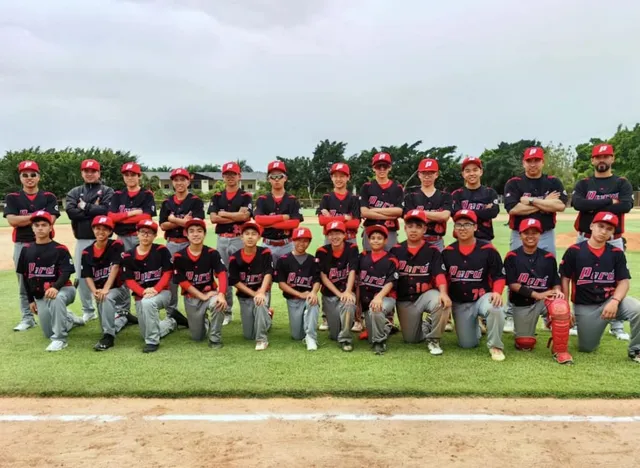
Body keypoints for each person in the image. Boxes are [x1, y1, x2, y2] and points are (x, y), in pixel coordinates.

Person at [571, 143, 634, 341]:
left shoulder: (622, 183)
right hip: (584, 237)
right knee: (579, 277)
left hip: (613, 240)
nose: (602, 160)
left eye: (606, 156)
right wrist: (608, 203)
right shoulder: (584, 183)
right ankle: (576, 320)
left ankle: (616, 325)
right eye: (598, 157)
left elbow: (626, 205)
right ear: (592, 160)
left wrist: (592, 207)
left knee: (614, 278)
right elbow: (578, 204)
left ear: (612, 159)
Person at [560, 212, 640, 363]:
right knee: (587, 347)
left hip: (610, 301)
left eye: (608, 229)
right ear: (591, 226)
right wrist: (566, 307)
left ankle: (636, 350)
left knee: (637, 308)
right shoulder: (575, 251)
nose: (603, 231)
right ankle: (596, 327)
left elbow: (624, 282)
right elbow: (565, 278)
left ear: (612, 233)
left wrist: (615, 301)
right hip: (585, 306)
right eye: (600, 226)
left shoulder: (616, 253)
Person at [503, 147, 567, 333]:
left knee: (547, 272)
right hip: (519, 233)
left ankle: (550, 315)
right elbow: (513, 209)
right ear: (524, 163)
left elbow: (560, 205)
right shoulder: (514, 183)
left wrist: (530, 201)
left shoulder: (553, 181)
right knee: (514, 274)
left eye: (536, 160)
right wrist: (545, 203)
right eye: (529, 161)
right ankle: (510, 315)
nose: (533, 164)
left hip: (545, 233)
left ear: (542, 162)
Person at [504, 218, 572, 364]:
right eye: (526, 233)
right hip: (523, 303)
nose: (530, 236)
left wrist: (558, 292)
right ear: (520, 235)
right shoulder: (512, 257)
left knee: (560, 306)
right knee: (525, 344)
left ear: (540, 234)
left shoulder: (548, 257)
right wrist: (537, 294)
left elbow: (555, 281)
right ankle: (525, 332)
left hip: (544, 301)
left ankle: (560, 350)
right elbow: (513, 284)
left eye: (534, 232)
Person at [442, 210, 507, 361]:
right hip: (461, 302)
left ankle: (495, 346)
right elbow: (442, 277)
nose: (463, 228)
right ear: (454, 228)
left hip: (482, 297)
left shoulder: (488, 250)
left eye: (467, 224)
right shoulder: (448, 252)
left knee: (495, 307)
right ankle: (476, 327)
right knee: (468, 344)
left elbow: (499, 275)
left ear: (475, 227)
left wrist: (497, 292)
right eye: (459, 224)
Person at [16, 211, 84, 351]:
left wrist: (56, 287)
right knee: (48, 332)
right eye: (37, 225)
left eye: (44, 225)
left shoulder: (59, 249)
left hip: (64, 290)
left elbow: (66, 273)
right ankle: (69, 317)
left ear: (50, 228)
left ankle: (60, 339)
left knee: (55, 298)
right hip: (41, 295)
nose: (40, 228)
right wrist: (30, 300)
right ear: (32, 228)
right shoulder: (26, 250)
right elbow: (25, 277)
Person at [4, 160, 59, 331]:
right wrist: (38, 216)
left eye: (33, 174)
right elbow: (12, 220)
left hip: (46, 245)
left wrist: (27, 219)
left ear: (38, 177)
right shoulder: (12, 197)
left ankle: (55, 313)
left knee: (51, 279)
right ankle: (27, 318)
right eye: (25, 175)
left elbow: (51, 219)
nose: (29, 178)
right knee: (24, 282)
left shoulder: (49, 197)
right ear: (20, 177)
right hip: (22, 244)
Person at [390, 209, 452, 356]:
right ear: (404, 228)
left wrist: (443, 293)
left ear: (424, 229)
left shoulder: (432, 250)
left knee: (440, 302)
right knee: (411, 339)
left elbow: (439, 274)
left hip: (425, 295)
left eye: (418, 226)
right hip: (405, 300)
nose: (414, 230)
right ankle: (427, 324)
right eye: (410, 226)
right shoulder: (396, 250)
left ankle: (434, 339)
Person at [65, 158, 114, 323]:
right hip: (83, 239)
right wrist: (95, 210)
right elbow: (71, 212)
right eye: (86, 171)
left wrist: (85, 207)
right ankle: (88, 309)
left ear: (99, 173)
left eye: (93, 171)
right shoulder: (74, 191)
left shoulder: (107, 191)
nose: (89, 173)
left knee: (108, 275)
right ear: (82, 173)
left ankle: (111, 307)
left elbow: (107, 211)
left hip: (105, 240)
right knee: (83, 275)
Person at [316, 162, 361, 332]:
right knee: (327, 275)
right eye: (335, 175)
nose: (339, 179)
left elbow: (356, 223)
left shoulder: (354, 198)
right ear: (332, 177)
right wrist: (345, 218)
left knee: (353, 276)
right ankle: (327, 316)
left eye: (342, 175)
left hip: (350, 240)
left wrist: (333, 218)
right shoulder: (327, 197)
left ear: (348, 178)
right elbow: (321, 221)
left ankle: (357, 317)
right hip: (330, 240)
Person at [120, 219, 177, 353]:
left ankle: (152, 342)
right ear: (137, 234)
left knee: (148, 305)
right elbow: (129, 280)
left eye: (150, 233)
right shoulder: (128, 255)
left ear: (154, 236)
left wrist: (156, 290)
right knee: (145, 331)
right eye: (143, 232)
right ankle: (171, 322)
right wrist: (143, 291)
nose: (146, 235)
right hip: (141, 295)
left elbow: (168, 273)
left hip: (163, 293)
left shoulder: (161, 250)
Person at [208, 161, 253, 326]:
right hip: (222, 238)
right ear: (223, 177)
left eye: (233, 174)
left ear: (239, 176)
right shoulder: (217, 196)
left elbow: (245, 217)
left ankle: (247, 311)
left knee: (244, 274)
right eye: (227, 174)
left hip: (239, 238)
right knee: (223, 274)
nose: (230, 177)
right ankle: (227, 311)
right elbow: (213, 218)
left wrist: (224, 214)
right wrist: (235, 214)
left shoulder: (245, 196)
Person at [172, 218, 228, 348]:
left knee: (218, 303)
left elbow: (222, 273)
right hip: (192, 297)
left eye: (199, 231)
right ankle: (205, 323)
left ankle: (215, 338)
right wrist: (201, 296)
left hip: (210, 293)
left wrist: (221, 294)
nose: (195, 234)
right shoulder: (179, 256)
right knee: (197, 337)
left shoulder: (212, 253)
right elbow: (182, 281)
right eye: (191, 231)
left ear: (204, 233)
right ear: (186, 234)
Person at [158, 167, 203, 328]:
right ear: (172, 182)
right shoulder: (167, 202)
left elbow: (196, 224)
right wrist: (181, 221)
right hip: (171, 243)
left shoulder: (195, 201)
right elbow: (163, 225)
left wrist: (173, 219)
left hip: (189, 243)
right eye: (176, 180)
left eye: (182, 179)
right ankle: (172, 314)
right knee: (171, 280)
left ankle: (196, 313)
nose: (179, 182)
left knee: (192, 277)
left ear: (188, 181)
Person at [80, 216, 131, 351]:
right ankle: (123, 318)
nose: (101, 232)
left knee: (106, 298)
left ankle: (109, 337)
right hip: (100, 290)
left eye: (104, 229)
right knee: (104, 320)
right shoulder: (86, 251)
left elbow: (115, 267)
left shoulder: (116, 245)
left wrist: (105, 289)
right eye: (97, 228)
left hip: (118, 288)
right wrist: (94, 291)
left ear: (110, 232)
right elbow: (87, 275)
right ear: (93, 229)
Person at [227, 221, 274, 351]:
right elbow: (235, 281)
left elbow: (268, 273)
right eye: (246, 234)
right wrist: (254, 294)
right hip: (245, 296)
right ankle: (268, 316)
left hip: (262, 292)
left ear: (259, 237)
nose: (250, 237)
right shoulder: (234, 258)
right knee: (248, 335)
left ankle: (261, 339)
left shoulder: (265, 252)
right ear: (241, 237)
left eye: (254, 234)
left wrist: (262, 292)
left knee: (260, 303)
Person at [274, 227, 321, 351]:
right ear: (292, 241)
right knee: (297, 336)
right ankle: (306, 319)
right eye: (298, 240)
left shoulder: (313, 260)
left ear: (309, 242)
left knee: (313, 301)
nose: (302, 243)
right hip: (293, 300)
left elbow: (317, 280)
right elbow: (281, 284)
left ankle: (311, 337)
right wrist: (299, 294)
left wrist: (313, 292)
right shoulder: (283, 260)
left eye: (305, 241)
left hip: (308, 297)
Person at [316, 221, 359, 352]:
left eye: (338, 233)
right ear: (327, 236)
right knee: (334, 335)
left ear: (344, 234)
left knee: (349, 302)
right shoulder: (322, 251)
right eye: (331, 234)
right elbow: (323, 277)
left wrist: (347, 291)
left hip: (345, 290)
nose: (335, 237)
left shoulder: (352, 248)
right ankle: (340, 328)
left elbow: (352, 271)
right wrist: (339, 294)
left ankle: (346, 338)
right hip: (330, 295)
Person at [357, 225, 399, 355]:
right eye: (373, 238)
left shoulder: (391, 258)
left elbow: (391, 281)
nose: (376, 240)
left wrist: (379, 297)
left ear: (385, 240)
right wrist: (358, 303)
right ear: (368, 240)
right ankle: (386, 327)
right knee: (370, 337)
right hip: (366, 301)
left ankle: (380, 342)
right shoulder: (362, 256)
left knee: (376, 309)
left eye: (379, 238)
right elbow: (358, 282)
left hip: (386, 297)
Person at [255, 161, 303, 265]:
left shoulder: (292, 200)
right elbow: (258, 219)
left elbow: (294, 223)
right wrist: (283, 217)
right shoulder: (262, 199)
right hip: (267, 245)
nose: (276, 179)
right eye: (273, 176)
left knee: (289, 279)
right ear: (268, 179)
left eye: (280, 176)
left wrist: (268, 223)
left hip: (287, 245)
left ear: (285, 178)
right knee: (265, 278)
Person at [403, 158, 452, 251]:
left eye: (430, 173)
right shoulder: (410, 196)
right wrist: (436, 216)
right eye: (424, 173)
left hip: (437, 241)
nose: (427, 176)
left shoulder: (445, 196)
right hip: (416, 240)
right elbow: (407, 218)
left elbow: (445, 216)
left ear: (436, 174)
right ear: (419, 175)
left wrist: (417, 213)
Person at [359, 152, 404, 251]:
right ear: (374, 168)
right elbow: (364, 212)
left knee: (391, 258)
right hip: (370, 230)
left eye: (385, 166)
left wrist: (373, 210)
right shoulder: (366, 187)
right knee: (369, 260)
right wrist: (389, 216)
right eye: (379, 166)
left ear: (390, 167)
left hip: (390, 230)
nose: (382, 169)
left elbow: (399, 211)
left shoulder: (397, 187)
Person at [108, 162, 155, 252]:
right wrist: (132, 213)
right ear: (123, 177)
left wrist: (120, 218)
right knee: (122, 264)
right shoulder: (117, 194)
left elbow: (146, 217)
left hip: (140, 237)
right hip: (122, 237)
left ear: (139, 176)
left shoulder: (147, 194)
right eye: (126, 175)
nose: (129, 178)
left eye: (133, 175)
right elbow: (111, 217)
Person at [451, 157, 500, 241]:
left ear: (481, 172)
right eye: (468, 171)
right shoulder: (457, 194)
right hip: (462, 239)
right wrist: (484, 212)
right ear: (463, 174)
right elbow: (456, 215)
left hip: (484, 238)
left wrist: (465, 213)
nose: (471, 173)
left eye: (475, 170)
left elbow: (493, 212)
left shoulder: (490, 192)